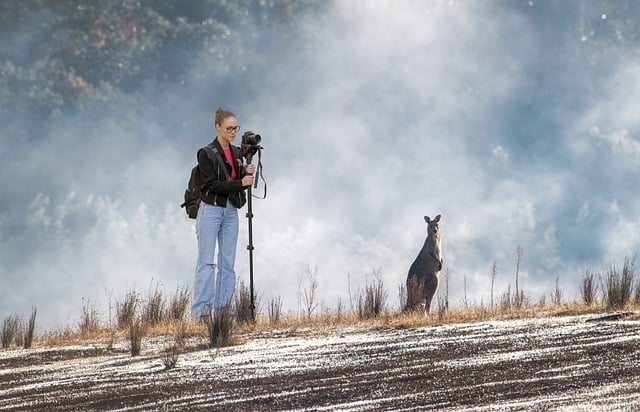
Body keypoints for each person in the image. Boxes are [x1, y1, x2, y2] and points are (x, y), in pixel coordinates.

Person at [191, 107, 255, 319]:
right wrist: (240, 182)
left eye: (235, 128)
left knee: (228, 263)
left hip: (230, 212)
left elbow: (233, 180)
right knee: (207, 263)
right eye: (229, 128)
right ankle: (201, 313)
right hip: (210, 210)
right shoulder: (206, 153)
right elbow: (211, 184)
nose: (233, 132)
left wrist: (246, 171)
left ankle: (223, 313)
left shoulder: (237, 152)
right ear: (217, 127)